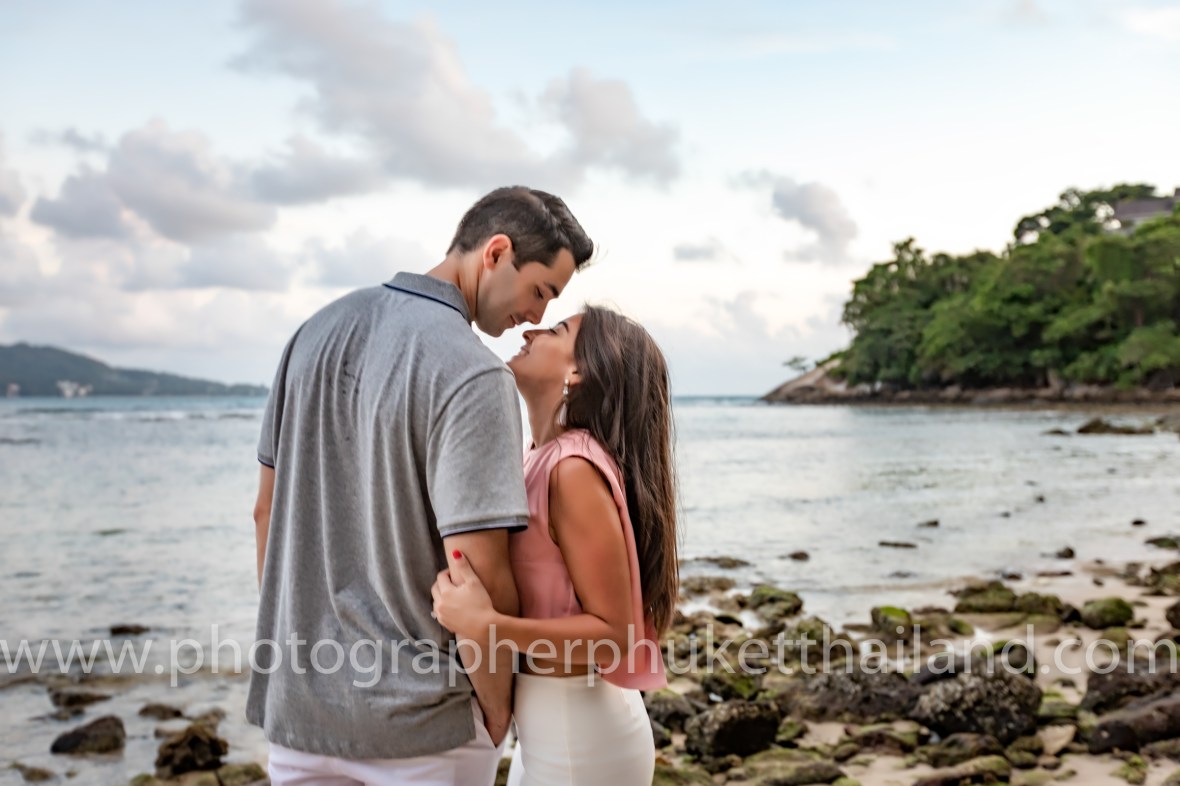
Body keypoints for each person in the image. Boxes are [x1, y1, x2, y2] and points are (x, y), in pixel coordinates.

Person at [248, 186, 593, 786]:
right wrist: (496, 710)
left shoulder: (310, 335)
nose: (536, 316)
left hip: (301, 714)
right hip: (424, 725)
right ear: (496, 252)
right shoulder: (473, 372)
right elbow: (478, 566)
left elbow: (265, 514)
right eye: (540, 290)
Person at [431, 305, 679, 786]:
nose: (532, 330)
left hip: (579, 739)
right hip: (551, 727)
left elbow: (615, 636)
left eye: (558, 329)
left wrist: (487, 626)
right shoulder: (536, 457)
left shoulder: (572, 470)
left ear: (577, 373)